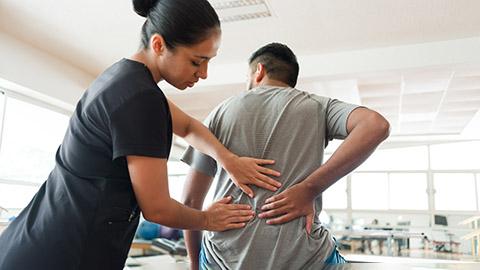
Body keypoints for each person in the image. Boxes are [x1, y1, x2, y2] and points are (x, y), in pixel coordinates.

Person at [0, 1, 282, 269]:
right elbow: (158, 209)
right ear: (159, 45)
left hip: (36, 238)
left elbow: (188, 127)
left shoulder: (125, 79)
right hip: (60, 253)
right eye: (197, 61)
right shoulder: (139, 98)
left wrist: (228, 160)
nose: (204, 73)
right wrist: (209, 219)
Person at [182, 43, 390, 269]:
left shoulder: (220, 112)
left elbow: (191, 201)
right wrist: (310, 188)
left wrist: (194, 263)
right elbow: (375, 125)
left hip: (223, 260)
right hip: (304, 258)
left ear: (258, 71)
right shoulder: (317, 106)